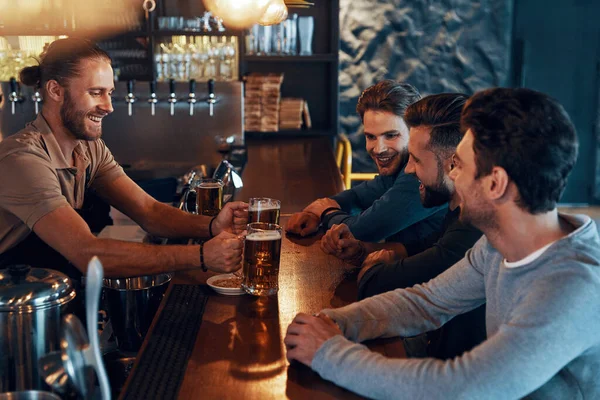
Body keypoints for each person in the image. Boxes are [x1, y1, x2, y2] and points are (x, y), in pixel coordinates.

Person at [285, 88, 600, 399]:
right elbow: (426, 303)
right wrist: (332, 321)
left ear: (495, 184)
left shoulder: (571, 287)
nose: (454, 176)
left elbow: (458, 387)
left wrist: (328, 352)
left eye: (458, 165)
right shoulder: (496, 246)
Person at [0, 38, 246, 279]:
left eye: (109, 93)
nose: (108, 106)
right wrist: (201, 256)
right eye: (96, 92)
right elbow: (87, 253)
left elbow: (149, 211)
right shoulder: (23, 159)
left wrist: (212, 225)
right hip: (13, 303)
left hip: (54, 291)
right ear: (55, 90)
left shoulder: (90, 149)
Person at [320, 93, 485, 359]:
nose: (408, 170)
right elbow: (431, 245)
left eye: (416, 160)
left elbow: (375, 284)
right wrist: (380, 252)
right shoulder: (459, 214)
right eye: (370, 136)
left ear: (455, 164)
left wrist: (375, 262)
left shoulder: (473, 233)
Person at [286, 80, 446, 246]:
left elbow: (359, 232)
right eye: (371, 137)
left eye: (391, 136)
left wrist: (325, 211)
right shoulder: (397, 167)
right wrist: (314, 212)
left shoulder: (420, 175)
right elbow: (358, 196)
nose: (378, 149)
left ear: (414, 132)